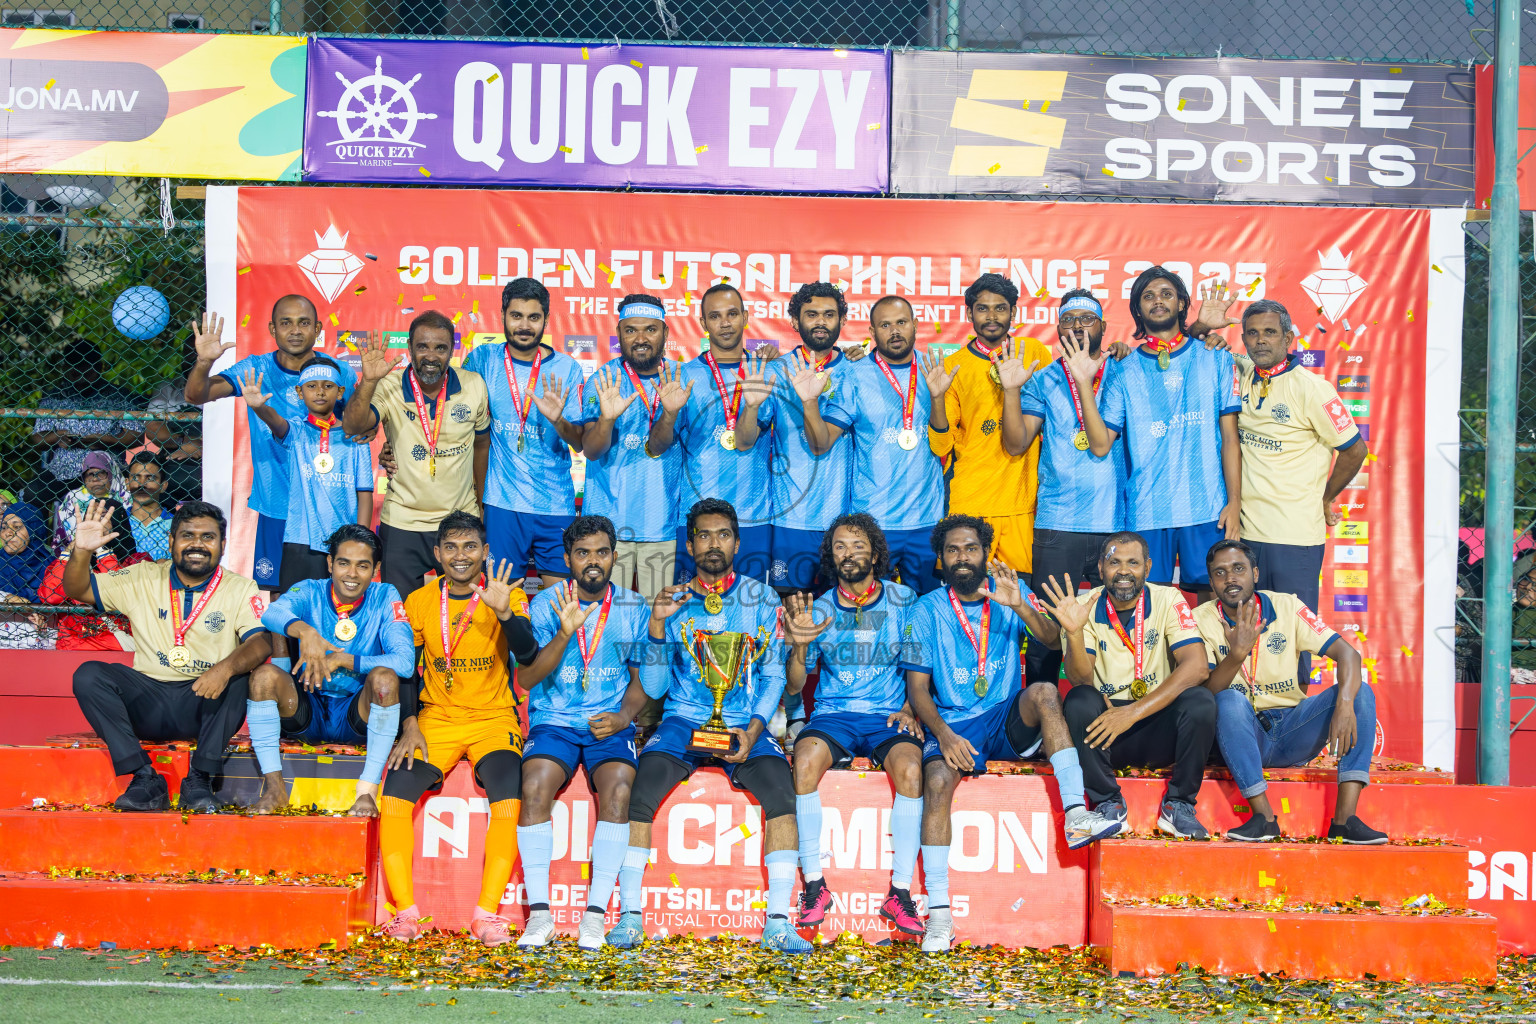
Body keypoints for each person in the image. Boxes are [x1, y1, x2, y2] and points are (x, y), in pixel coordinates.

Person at [903, 515, 1121, 953]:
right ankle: (940, 916)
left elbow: (1051, 640)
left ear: (986, 553)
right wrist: (944, 735)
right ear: (941, 559)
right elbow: (917, 689)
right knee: (938, 781)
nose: (962, 558)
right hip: (955, 721)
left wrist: (1019, 604)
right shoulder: (923, 610)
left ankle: (1077, 814)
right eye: (952, 551)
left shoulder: (1010, 592)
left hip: (1004, 717)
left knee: (1043, 691)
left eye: (970, 549)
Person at [609, 498, 810, 954]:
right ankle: (630, 918)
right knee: (641, 791)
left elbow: (775, 675)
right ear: (690, 543)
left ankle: (778, 922)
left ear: (737, 543)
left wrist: (754, 731)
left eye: (722, 535)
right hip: (683, 719)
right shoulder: (672, 601)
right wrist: (657, 627)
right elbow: (657, 688)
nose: (713, 544)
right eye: (703, 535)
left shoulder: (761, 599)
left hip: (742, 723)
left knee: (782, 793)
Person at [377, 511, 540, 946]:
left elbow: (527, 655)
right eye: (451, 547)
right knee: (392, 796)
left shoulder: (506, 595)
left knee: (509, 799)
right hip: (437, 719)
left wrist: (505, 614)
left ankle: (486, 915)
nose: (461, 556)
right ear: (437, 554)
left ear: (485, 552)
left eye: (470, 547)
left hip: (493, 719)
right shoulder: (419, 600)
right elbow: (407, 671)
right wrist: (410, 724)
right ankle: (405, 913)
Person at [66, 500, 270, 812]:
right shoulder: (142, 577)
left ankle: (199, 781)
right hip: (148, 700)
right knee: (89, 674)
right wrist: (81, 551)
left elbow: (260, 644)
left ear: (223, 544)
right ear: (172, 540)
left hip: (202, 701)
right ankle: (145, 779)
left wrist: (224, 669)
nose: (197, 545)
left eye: (208, 537)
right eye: (187, 536)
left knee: (240, 676)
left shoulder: (240, 588)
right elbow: (77, 588)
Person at [781, 512, 926, 937]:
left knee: (912, 770)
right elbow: (794, 685)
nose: (849, 554)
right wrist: (800, 648)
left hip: (887, 715)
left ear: (876, 553)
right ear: (830, 555)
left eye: (858, 545)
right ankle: (814, 885)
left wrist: (907, 707)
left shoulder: (904, 600)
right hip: (834, 715)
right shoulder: (818, 606)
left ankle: (899, 894)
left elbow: (918, 669)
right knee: (804, 763)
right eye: (840, 546)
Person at [516, 515, 650, 951]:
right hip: (554, 718)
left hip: (607, 721)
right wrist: (563, 633)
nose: (592, 562)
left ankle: (594, 918)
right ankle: (539, 918)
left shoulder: (632, 606)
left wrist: (624, 716)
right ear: (568, 557)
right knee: (534, 787)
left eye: (601, 552)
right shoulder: (544, 604)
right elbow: (528, 678)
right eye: (582, 553)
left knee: (618, 794)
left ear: (614, 556)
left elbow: (644, 680)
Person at [1196, 540, 1384, 843]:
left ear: (1255, 573)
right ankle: (1264, 818)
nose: (1230, 578)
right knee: (1228, 699)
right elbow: (1204, 694)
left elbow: (1349, 654)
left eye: (1238, 569)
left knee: (1361, 693)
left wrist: (1345, 704)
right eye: (1220, 572)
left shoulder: (1286, 606)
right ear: (1211, 582)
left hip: (1292, 728)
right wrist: (1237, 654)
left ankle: (1345, 820)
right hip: (1242, 732)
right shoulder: (1199, 620)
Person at [1039, 531, 1217, 839]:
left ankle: (1179, 805)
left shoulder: (1167, 598)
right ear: (1100, 568)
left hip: (1153, 722)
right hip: (1105, 734)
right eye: (1114, 562)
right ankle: (1107, 802)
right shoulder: (1085, 604)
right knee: (1080, 699)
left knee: (1200, 701)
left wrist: (1132, 713)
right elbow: (1081, 679)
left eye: (1133, 562)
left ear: (1147, 567)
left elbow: (1197, 666)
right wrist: (1074, 633)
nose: (1123, 571)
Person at [1081, 269, 1242, 598]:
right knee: (1148, 608)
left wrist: (1235, 502)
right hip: (1147, 508)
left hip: (1208, 507)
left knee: (1212, 603)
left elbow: (1230, 439)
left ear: (1182, 304)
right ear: (1137, 309)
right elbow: (1100, 444)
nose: (1158, 301)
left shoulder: (1216, 358)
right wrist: (1084, 381)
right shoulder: (1122, 369)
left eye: (1166, 294)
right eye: (1148, 296)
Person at [184, 301, 360, 592]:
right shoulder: (256, 368)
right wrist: (204, 362)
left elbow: (360, 426)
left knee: (336, 591)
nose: (295, 330)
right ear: (272, 329)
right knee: (279, 593)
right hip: (277, 504)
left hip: (327, 505)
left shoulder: (338, 372)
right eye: (286, 322)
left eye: (304, 323)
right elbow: (196, 396)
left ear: (317, 329)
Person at [1234, 298, 1367, 682]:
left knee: (1292, 638)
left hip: (1294, 538)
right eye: (1253, 333)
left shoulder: (1313, 388)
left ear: (1289, 338)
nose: (1261, 341)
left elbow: (1355, 448)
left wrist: (1326, 497)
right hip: (1245, 536)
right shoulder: (1241, 372)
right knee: (1248, 640)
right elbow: (1191, 345)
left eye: (1271, 333)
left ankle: (1293, 728)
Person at [248, 525, 413, 816]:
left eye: (363, 566)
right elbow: (270, 613)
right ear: (329, 563)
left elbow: (404, 662)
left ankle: (366, 794)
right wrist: (306, 632)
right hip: (307, 705)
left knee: (385, 679)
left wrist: (343, 660)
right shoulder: (309, 589)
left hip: (357, 712)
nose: (351, 574)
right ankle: (274, 788)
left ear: (376, 568)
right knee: (263, 678)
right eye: (343, 563)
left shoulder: (385, 595)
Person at [797, 296, 951, 594]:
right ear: (871, 331)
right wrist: (809, 402)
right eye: (885, 324)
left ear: (915, 325)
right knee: (868, 611)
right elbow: (820, 444)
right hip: (874, 524)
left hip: (927, 522)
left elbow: (945, 443)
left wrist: (937, 397)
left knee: (928, 607)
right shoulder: (853, 375)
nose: (895, 331)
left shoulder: (937, 370)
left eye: (901, 322)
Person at [343, 312, 491, 601]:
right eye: (423, 347)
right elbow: (353, 426)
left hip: (459, 522)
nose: (431, 356)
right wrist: (370, 381)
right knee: (400, 617)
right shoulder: (389, 385)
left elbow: (482, 445)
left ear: (452, 350)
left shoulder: (473, 385)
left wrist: (481, 503)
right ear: (409, 348)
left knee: (467, 614)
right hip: (402, 521)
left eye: (440, 348)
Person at [647, 284, 777, 582]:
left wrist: (751, 405)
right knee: (689, 613)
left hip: (752, 516)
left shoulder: (767, 371)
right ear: (703, 323)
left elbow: (745, 442)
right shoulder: (683, 375)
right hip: (695, 516)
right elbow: (656, 446)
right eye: (715, 316)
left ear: (745, 317)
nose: (725, 323)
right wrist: (668, 414)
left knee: (752, 611)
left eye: (732, 314)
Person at [463, 278, 587, 589]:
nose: (524, 325)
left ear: (546, 319)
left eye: (534, 317)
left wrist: (558, 420)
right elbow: (450, 411)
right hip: (501, 504)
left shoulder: (567, 368)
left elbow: (579, 441)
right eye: (516, 315)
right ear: (502, 315)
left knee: (560, 602)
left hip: (555, 505)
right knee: (501, 599)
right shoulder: (482, 359)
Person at [930, 274, 1054, 576]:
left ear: (1013, 312)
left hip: (1020, 502)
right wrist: (936, 397)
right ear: (970, 313)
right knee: (965, 598)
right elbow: (940, 445)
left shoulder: (1034, 353)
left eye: (1000, 308)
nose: (992, 316)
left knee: (1021, 600)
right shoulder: (953, 366)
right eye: (982, 308)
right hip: (970, 502)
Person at [578, 295, 685, 600]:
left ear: (665, 333)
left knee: (656, 617)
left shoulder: (678, 378)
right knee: (607, 618)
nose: (640, 339)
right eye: (631, 331)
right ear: (619, 333)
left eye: (650, 330)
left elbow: (660, 446)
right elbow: (592, 450)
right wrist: (607, 420)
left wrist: (669, 412)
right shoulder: (604, 378)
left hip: (660, 523)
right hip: (607, 528)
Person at [236, 361, 374, 596]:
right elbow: (277, 424)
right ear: (300, 393)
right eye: (311, 386)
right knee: (295, 604)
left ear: (340, 392)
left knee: (341, 607)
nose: (320, 392)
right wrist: (260, 408)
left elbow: (365, 493)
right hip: (301, 538)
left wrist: (360, 541)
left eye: (328, 386)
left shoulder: (355, 438)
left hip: (343, 542)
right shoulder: (297, 431)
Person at [765, 282, 859, 593]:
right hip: (790, 520)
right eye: (812, 314)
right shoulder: (775, 372)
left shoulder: (859, 371)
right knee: (790, 615)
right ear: (795, 321)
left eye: (829, 314)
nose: (821, 321)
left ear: (842, 321)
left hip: (842, 525)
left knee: (839, 615)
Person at [30, 337, 141, 510]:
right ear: (65, 368)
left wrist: (104, 440)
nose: (81, 374)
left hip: (107, 470)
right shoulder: (55, 396)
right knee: (30, 495)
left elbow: (136, 436)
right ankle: (46, 536)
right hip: (63, 470)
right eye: (74, 370)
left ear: (99, 367)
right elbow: (38, 439)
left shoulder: (118, 395)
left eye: (86, 370)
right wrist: (59, 436)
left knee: (138, 493)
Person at [51, 450, 131, 556]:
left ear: (111, 473)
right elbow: (61, 538)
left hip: (121, 553)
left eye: (101, 473)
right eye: (90, 474)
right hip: (78, 554)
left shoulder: (126, 496)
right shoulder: (73, 498)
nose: (95, 479)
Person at [1, 502, 55, 604]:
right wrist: (5, 597)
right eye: (4, 527)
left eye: (17, 527)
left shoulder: (53, 567)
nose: (8, 533)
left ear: (34, 530)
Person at [125, 452, 175, 560]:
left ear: (163, 486)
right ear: (127, 483)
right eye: (136, 478)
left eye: (150, 478)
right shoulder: (118, 523)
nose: (142, 484)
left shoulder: (176, 524)